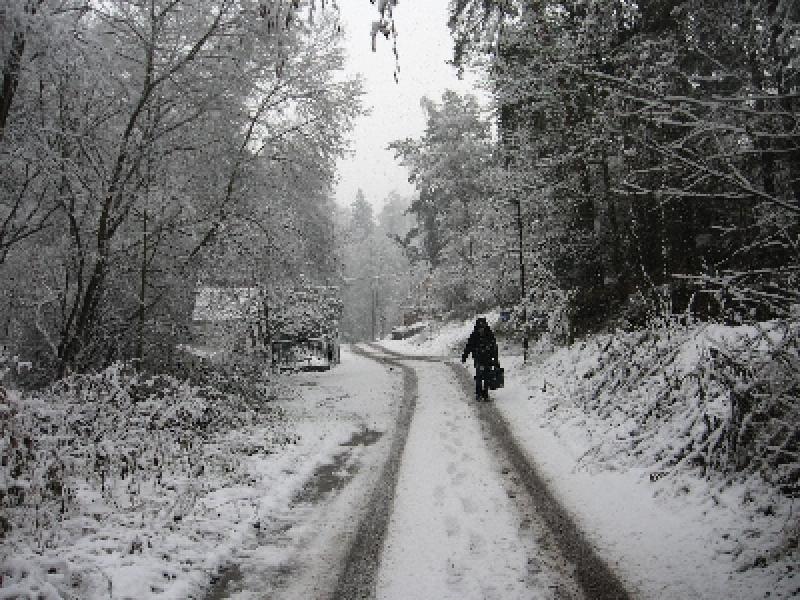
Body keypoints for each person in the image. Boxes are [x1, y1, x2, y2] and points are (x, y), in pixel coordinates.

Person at [461, 317, 499, 401]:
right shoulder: (474, 335)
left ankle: (485, 394)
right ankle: (478, 394)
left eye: (483, 326)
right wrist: (465, 356)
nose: (481, 329)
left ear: (485, 325)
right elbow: (469, 346)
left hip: (488, 359)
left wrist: (496, 360)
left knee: (487, 377)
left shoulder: (489, 334)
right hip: (478, 359)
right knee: (479, 376)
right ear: (477, 326)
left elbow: (494, 347)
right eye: (480, 327)